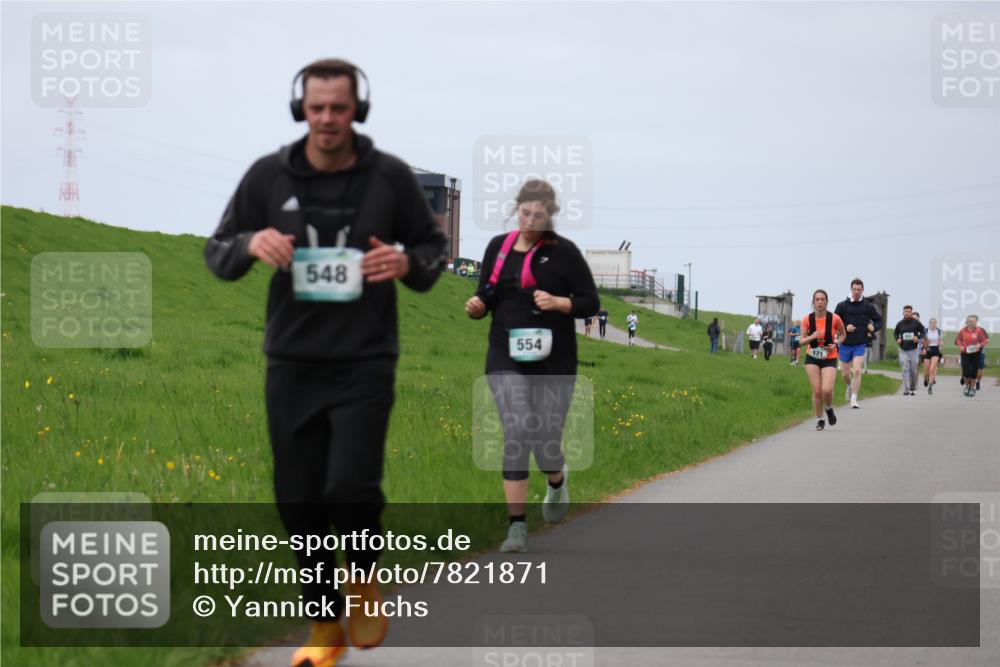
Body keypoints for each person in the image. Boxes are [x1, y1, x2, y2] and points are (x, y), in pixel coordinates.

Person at [204, 58, 448, 666]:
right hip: (292, 360)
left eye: (339, 108)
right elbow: (217, 251)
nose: (328, 120)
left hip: (365, 358)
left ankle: (363, 574)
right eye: (317, 108)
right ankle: (323, 623)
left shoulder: (388, 178)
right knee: (297, 497)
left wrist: (406, 263)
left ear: (357, 109)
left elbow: (433, 250)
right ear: (300, 109)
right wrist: (249, 243)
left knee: (350, 485)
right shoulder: (268, 176)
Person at [464, 179, 598, 553]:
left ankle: (556, 479)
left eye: (539, 215)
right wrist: (477, 306)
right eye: (525, 213)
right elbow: (487, 292)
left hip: (554, 359)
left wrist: (559, 303)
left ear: (550, 216)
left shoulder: (564, 254)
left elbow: (591, 301)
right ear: (516, 209)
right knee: (518, 427)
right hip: (505, 353)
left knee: (545, 442)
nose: (530, 220)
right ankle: (517, 528)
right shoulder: (499, 248)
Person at [799, 289, 846, 431]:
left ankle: (829, 408)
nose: (820, 302)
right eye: (817, 300)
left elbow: (843, 335)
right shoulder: (807, 319)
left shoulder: (835, 318)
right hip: (812, 356)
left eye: (822, 299)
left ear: (826, 302)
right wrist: (811, 336)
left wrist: (836, 344)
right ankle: (820, 419)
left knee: (826, 389)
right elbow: (801, 341)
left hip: (829, 357)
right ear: (813, 302)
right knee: (817, 391)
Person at [833, 279, 882, 409]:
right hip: (845, 344)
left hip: (860, 343)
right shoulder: (842, 305)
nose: (856, 292)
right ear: (851, 289)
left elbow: (879, 321)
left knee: (858, 370)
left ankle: (854, 398)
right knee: (845, 374)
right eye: (854, 289)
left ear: (862, 290)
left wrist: (873, 326)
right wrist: (844, 327)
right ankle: (849, 386)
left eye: (859, 289)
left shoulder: (867, 306)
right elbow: (834, 323)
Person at [893, 305, 926, 396]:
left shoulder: (916, 323)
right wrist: (897, 339)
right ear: (903, 313)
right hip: (903, 349)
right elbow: (895, 333)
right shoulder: (900, 324)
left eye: (909, 312)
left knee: (913, 369)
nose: (907, 313)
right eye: (905, 311)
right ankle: (906, 388)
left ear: (911, 313)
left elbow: (923, 331)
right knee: (904, 368)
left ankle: (912, 387)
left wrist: (918, 337)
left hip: (914, 350)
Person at [955, 315, 988, 397]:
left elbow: (984, 341)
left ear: (976, 322)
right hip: (965, 353)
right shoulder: (963, 331)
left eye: (973, 321)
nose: (971, 322)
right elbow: (958, 340)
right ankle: (966, 386)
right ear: (967, 321)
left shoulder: (979, 331)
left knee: (973, 373)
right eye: (970, 321)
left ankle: (972, 389)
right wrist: (961, 346)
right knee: (966, 373)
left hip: (976, 353)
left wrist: (979, 345)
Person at [922, 317, 944, 394]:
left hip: (936, 350)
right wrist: (925, 345)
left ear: (936, 323)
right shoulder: (925, 331)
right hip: (927, 350)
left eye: (934, 323)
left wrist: (940, 343)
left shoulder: (939, 331)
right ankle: (925, 378)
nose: (933, 324)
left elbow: (941, 341)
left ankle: (930, 387)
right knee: (926, 371)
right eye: (931, 322)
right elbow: (922, 341)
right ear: (929, 324)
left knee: (932, 369)